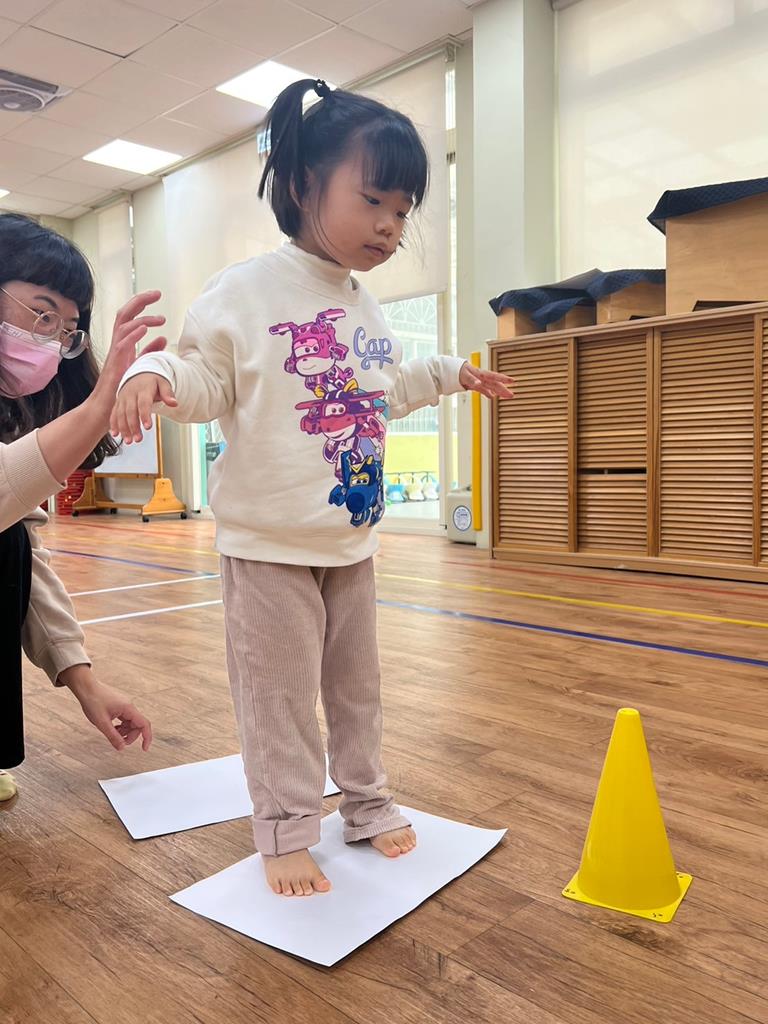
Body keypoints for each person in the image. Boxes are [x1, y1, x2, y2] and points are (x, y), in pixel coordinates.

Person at [111, 80, 515, 897]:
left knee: (358, 690)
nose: (390, 226)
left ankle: (366, 802)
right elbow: (203, 380)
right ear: (303, 185)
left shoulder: (364, 306)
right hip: (267, 546)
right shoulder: (244, 291)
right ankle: (287, 826)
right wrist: (154, 374)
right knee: (279, 698)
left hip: (349, 543)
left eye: (402, 210)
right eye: (373, 200)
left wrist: (448, 373)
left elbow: (381, 392)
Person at [0, 213, 164, 802]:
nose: (51, 340)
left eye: (68, 329)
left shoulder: (13, 410)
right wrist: (98, 406)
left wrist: (83, 679)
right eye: (41, 313)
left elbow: (19, 546)